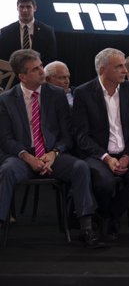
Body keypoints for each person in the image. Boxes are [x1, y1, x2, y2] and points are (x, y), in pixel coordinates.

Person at [0, 49, 103, 248]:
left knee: (80, 167)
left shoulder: (56, 95)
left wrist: (54, 153)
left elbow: (67, 135)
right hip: (22, 157)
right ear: (22, 77)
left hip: (52, 154)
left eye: (41, 66)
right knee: (6, 171)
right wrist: (28, 157)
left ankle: (86, 228)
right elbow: (5, 139)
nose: (42, 72)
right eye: (35, 69)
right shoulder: (6, 100)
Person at [72, 48, 129, 240]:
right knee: (105, 182)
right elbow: (81, 136)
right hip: (98, 154)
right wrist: (106, 158)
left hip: (127, 153)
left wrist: (128, 156)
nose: (125, 70)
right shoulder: (83, 93)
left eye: (124, 66)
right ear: (103, 70)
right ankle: (107, 219)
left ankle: (108, 216)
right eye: (119, 66)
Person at [0, 0, 57, 64]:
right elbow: (3, 58)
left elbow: (51, 59)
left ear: (35, 8)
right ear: (17, 8)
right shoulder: (5, 32)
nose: (25, 10)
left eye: (28, 7)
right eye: (21, 7)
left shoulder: (47, 32)